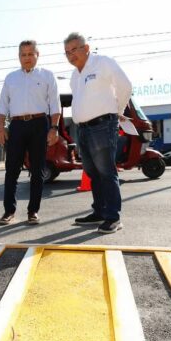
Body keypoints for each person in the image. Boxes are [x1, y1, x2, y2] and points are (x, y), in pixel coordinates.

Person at [65, 32, 132, 234]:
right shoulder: (75, 76)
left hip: (103, 126)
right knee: (93, 173)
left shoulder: (103, 63)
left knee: (106, 172)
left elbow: (125, 86)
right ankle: (100, 212)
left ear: (87, 48)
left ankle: (113, 217)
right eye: (67, 52)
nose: (70, 55)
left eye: (74, 49)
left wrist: (117, 111)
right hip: (83, 129)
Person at [0, 40, 60, 225]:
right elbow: (2, 105)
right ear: (19, 57)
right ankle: (9, 211)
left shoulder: (47, 76)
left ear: (37, 55)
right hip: (16, 126)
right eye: (23, 54)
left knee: (37, 170)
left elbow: (55, 105)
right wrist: (1, 127)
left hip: (40, 124)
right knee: (12, 170)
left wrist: (54, 128)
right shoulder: (11, 78)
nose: (27, 58)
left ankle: (33, 211)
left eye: (31, 54)